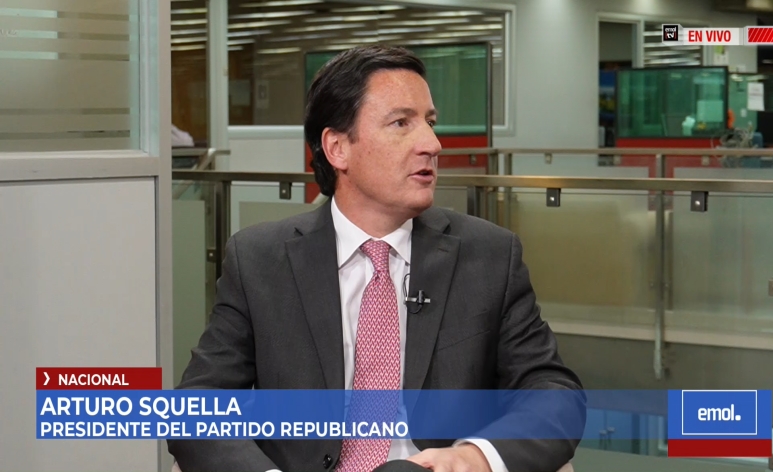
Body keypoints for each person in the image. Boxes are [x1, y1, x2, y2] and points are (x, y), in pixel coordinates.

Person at [168, 45, 585, 472]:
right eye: (401, 123)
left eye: (430, 122)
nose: (433, 144)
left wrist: (474, 457)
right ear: (337, 148)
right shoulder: (260, 260)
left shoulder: (489, 255)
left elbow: (554, 393)